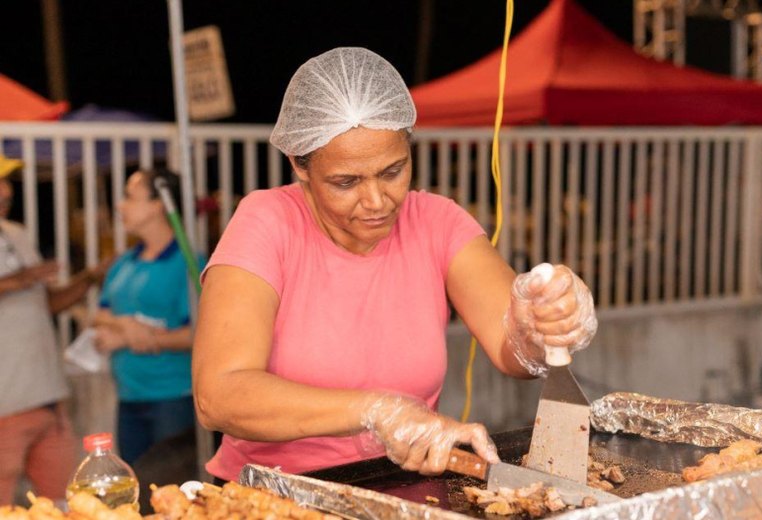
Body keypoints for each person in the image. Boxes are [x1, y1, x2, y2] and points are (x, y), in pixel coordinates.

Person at [193, 47, 598, 482]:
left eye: (392, 172)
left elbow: (514, 353)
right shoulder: (268, 221)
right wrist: (376, 410)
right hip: (273, 494)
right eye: (346, 182)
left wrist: (537, 325)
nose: (376, 201)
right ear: (299, 165)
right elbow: (219, 395)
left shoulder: (436, 222)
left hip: (401, 487)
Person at [0, 154, 108, 506]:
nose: (5, 192)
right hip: (5, 405)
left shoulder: (16, 233)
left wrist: (89, 278)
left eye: (7, 183)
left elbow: (45, 304)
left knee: (67, 505)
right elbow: (20, 285)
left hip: (47, 398)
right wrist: (16, 280)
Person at [93, 167, 206, 464]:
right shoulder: (125, 262)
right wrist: (126, 327)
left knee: (171, 492)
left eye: (130, 197)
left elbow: (200, 332)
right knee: (136, 490)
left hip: (173, 398)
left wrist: (144, 338)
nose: (120, 205)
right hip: (129, 397)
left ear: (158, 205)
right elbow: (100, 315)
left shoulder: (189, 263)